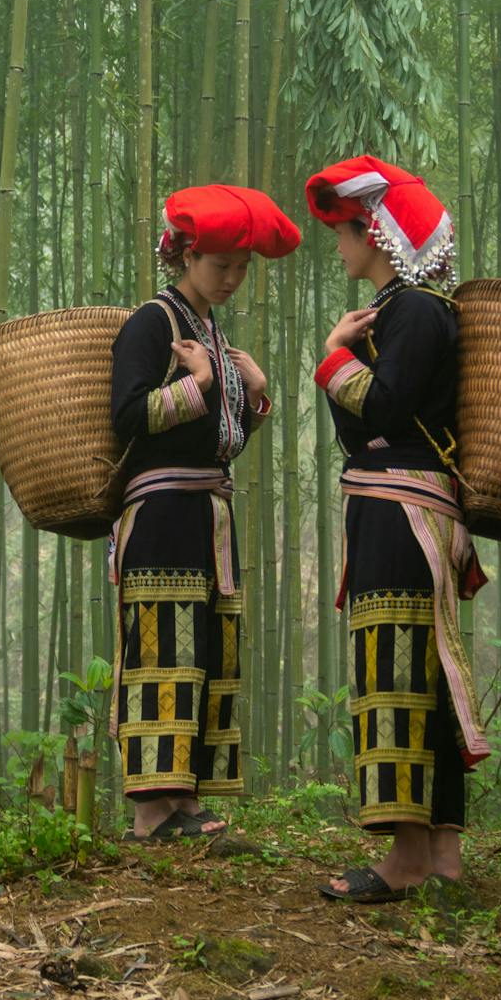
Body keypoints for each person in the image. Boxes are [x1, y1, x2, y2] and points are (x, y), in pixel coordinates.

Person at [303, 155, 490, 903]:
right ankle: (440, 854)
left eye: (345, 234)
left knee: (398, 672)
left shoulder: (414, 311)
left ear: (375, 231)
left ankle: (407, 859)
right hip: (406, 506)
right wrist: (345, 353)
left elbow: (380, 412)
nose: (340, 247)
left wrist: (332, 356)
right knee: (423, 672)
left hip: (400, 514)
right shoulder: (411, 312)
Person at [106, 183, 300, 847]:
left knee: (203, 651)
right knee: (162, 649)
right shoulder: (149, 324)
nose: (233, 279)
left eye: (243, 268)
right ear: (186, 254)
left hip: (206, 513)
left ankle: (184, 798)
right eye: (222, 266)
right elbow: (128, 418)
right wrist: (200, 385)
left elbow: (224, 440)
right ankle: (149, 813)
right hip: (160, 512)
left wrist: (256, 395)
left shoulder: (208, 331)